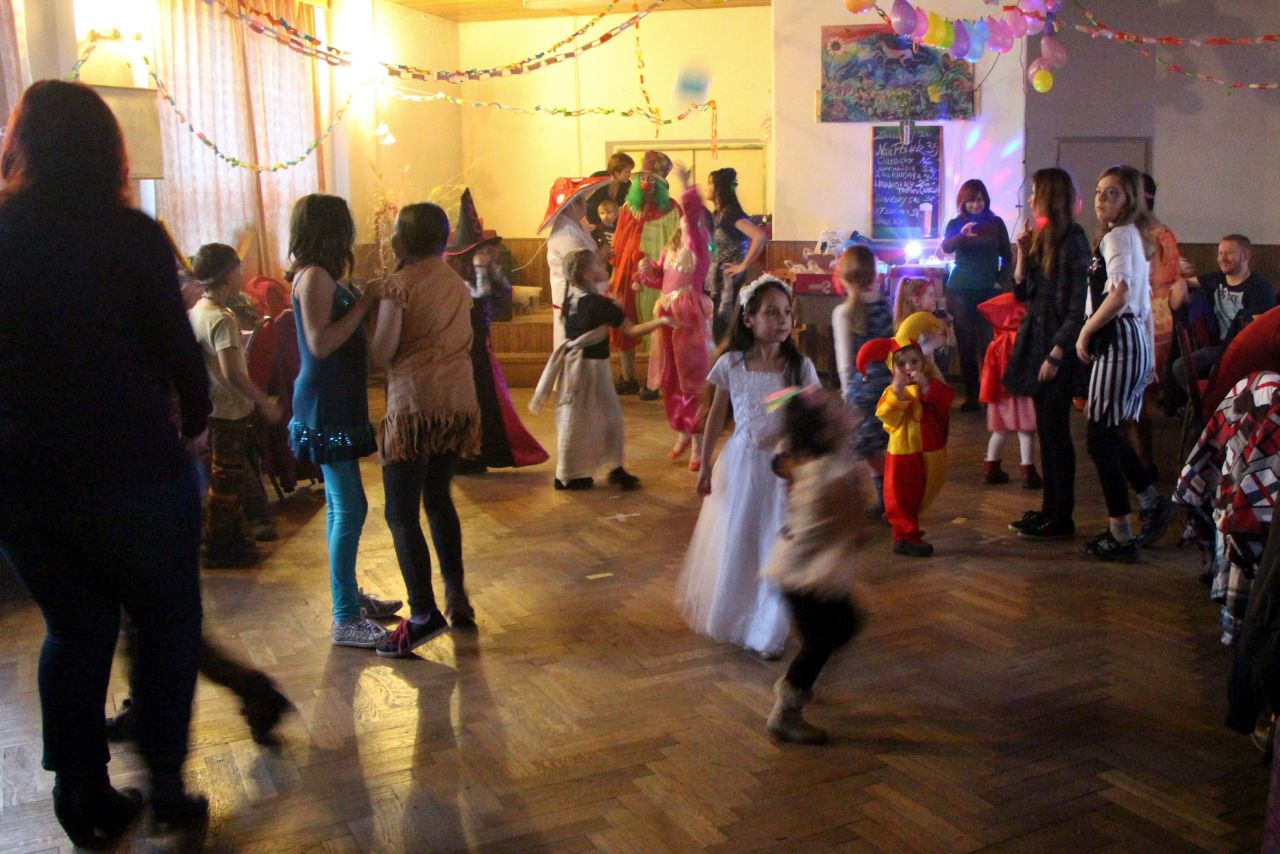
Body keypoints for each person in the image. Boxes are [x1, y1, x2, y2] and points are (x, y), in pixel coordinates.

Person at [0, 80, 210, 843]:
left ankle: (80, 793)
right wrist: (197, 422)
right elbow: (177, 347)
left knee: (75, 631)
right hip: (131, 467)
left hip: (23, 480)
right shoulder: (131, 235)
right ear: (108, 149)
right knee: (166, 623)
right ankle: (166, 783)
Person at [676, 275, 820, 658]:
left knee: (775, 540)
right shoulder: (732, 364)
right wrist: (705, 464)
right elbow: (716, 414)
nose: (782, 320)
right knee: (741, 537)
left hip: (782, 469)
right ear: (748, 319)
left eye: (786, 312)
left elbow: (811, 413)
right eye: (771, 312)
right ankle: (737, 613)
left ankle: (768, 626)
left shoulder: (799, 367)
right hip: (742, 463)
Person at [370, 203, 484, 656]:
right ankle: (457, 595)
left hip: (415, 406)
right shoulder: (455, 281)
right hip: (456, 402)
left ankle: (422, 614)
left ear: (400, 240)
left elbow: (382, 352)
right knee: (438, 497)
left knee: (400, 512)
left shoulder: (399, 285)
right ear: (444, 239)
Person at [287, 193, 399, 648]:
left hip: (339, 397)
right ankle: (345, 617)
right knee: (351, 507)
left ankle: (348, 597)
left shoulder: (326, 275)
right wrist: (365, 300)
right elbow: (320, 343)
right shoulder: (314, 276)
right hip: (325, 400)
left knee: (341, 506)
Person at [1076, 165, 1175, 562]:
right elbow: (1143, 299)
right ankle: (1151, 503)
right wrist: (1148, 354)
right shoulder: (1131, 234)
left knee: (1100, 439)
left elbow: (1121, 292)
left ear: (1130, 199)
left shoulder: (1118, 235)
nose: (1101, 199)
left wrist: (1085, 333)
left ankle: (1121, 534)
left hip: (1117, 339)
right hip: (1131, 338)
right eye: (1099, 192)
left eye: (1112, 193)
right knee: (1110, 434)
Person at [761, 389, 871, 744]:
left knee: (843, 626)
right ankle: (786, 712)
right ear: (826, 432)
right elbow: (855, 523)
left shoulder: (809, 463)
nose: (846, 414)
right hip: (805, 575)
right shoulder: (835, 474)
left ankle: (800, 678)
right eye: (837, 414)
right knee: (822, 641)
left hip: (798, 568)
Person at [1004, 167, 1091, 541]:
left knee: (1056, 433)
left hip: (1058, 346)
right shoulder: (1043, 238)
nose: (1030, 199)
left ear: (1049, 197)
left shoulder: (1075, 240)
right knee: (1045, 430)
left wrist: (1056, 354)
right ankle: (1048, 509)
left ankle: (1061, 514)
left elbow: (1077, 306)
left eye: (1035, 192)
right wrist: (1022, 255)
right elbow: (1021, 293)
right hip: (1037, 338)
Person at [187, 243, 282, 567]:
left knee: (224, 478)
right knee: (226, 484)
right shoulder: (222, 320)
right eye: (239, 269)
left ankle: (232, 540)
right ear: (229, 276)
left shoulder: (197, 311)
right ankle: (218, 547)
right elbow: (233, 373)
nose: (242, 275)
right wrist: (263, 401)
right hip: (228, 411)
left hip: (210, 409)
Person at [546, 248, 670, 490]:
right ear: (589, 275)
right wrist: (663, 321)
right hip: (593, 370)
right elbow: (632, 330)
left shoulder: (570, 299)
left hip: (573, 367)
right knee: (610, 420)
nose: (605, 267)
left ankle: (571, 472)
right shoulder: (601, 305)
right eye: (599, 265)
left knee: (574, 419)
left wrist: (612, 305)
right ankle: (605, 469)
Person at [444, 189, 549, 473]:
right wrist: (481, 270)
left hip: (481, 348)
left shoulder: (484, 272)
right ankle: (466, 454)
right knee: (470, 401)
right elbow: (477, 298)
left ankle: (483, 451)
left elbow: (502, 294)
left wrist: (492, 268)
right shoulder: (456, 279)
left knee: (488, 401)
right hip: (464, 350)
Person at [857, 312, 954, 557]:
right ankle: (905, 535)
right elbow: (887, 417)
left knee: (921, 491)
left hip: (929, 451)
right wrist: (898, 393)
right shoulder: (892, 392)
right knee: (902, 493)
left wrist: (926, 386)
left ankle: (908, 530)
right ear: (893, 368)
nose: (909, 367)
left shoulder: (930, 384)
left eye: (914, 361)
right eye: (902, 364)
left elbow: (945, 400)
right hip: (903, 453)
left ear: (923, 362)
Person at [646, 162, 713, 471]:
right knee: (671, 377)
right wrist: (646, 271)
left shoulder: (699, 249)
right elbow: (661, 277)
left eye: (694, 219)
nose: (689, 221)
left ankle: (697, 438)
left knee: (692, 377)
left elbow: (693, 215)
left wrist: (686, 186)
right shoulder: (670, 248)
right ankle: (682, 430)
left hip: (688, 318)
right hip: (666, 315)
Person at [1168, 234, 1276, 404]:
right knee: (1180, 367)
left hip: (1247, 352)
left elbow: (1260, 333)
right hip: (1221, 348)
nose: (1222, 258)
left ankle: (1217, 408)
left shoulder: (1260, 288)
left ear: (1245, 256)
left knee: (1208, 370)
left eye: (1229, 253)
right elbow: (1185, 282)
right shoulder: (1216, 279)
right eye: (1220, 253)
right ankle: (1208, 408)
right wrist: (1181, 284)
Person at [608, 151, 682, 398]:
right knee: (623, 325)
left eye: (653, 179)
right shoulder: (627, 208)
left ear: (662, 184)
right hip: (626, 274)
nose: (646, 184)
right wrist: (614, 275)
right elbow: (617, 243)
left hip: (657, 277)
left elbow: (678, 245)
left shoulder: (673, 209)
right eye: (643, 178)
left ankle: (657, 382)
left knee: (658, 330)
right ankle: (628, 378)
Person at [940, 179, 1013, 412]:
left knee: (988, 344)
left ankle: (990, 394)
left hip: (988, 291)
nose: (975, 205)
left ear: (986, 200)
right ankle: (972, 396)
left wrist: (1000, 281)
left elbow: (1008, 256)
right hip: (959, 290)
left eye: (979, 199)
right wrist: (961, 235)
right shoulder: (955, 223)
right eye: (970, 200)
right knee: (966, 344)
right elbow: (946, 248)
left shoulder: (996, 223)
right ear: (963, 202)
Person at [831, 245, 894, 517]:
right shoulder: (885, 304)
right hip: (888, 385)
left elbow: (845, 362)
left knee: (866, 448)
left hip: (862, 388)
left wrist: (847, 394)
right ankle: (887, 500)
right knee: (882, 445)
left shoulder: (843, 312)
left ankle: (887, 501)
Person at [977, 292, 1040, 488]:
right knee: (1026, 431)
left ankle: (991, 468)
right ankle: (1028, 471)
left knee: (999, 431)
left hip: (1000, 396)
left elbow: (989, 371)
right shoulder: (1023, 339)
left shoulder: (996, 342)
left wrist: (988, 393)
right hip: (1022, 393)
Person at [541, 175, 608, 351]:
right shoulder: (566, 233)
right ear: (571, 205)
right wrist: (600, 256)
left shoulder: (574, 226)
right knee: (576, 352)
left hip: (583, 300)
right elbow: (580, 265)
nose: (585, 206)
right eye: (581, 202)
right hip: (574, 303)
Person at [708, 167, 768, 343]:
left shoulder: (731, 214)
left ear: (719, 188)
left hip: (730, 280)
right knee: (716, 327)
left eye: (709, 183)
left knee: (726, 326)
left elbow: (759, 237)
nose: (706, 188)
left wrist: (743, 265)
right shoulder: (718, 214)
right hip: (717, 278)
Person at [585, 151, 634, 229]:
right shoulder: (597, 179)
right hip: (592, 227)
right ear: (616, 172)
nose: (629, 174)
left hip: (614, 229)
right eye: (627, 171)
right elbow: (583, 202)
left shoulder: (627, 185)